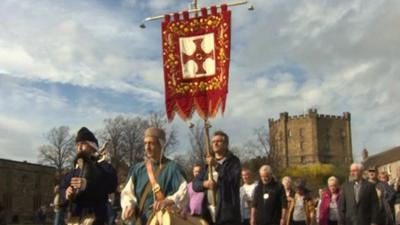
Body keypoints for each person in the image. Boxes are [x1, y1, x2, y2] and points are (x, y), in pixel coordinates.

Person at [120, 127, 188, 225]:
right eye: (145, 143)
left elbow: (184, 191)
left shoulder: (173, 168)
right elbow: (127, 193)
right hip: (141, 221)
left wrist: (169, 201)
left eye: (151, 143)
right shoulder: (137, 169)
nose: (147, 147)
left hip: (164, 221)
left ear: (161, 145)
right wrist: (129, 206)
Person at [60, 127, 118, 225]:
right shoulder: (74, 171)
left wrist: (87, 185)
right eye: (77, 145)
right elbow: (62, 186)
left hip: (95, 218)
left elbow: (111, 185)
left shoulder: (103, 166)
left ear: (92, 146)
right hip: (74, 219)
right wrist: (66, 192)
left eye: (82, 144)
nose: (79, 147)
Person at [193, 130, 242, 225]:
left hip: (227, 215)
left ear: (226, 144)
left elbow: (233, 179)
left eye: (219, 141)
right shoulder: (206, 165)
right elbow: (195, 184)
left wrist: (216, 165)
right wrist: (205, 184)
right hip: (208, 214)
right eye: (213, 141)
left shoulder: (233, 161)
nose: (215, 143)